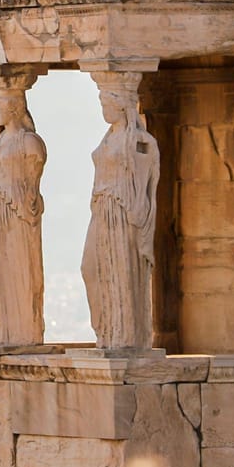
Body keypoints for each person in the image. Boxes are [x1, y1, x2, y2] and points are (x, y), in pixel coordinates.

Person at [81, 87, 159, 349]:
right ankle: (105, 331)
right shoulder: (108, 138)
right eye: (101, 102)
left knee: (122, 271)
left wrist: (139, 211)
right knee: (90, 268)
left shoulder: (139, 140)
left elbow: (149, 178)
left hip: (123, 212)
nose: (104, 107)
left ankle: (124, 336)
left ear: (122, 104)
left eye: (107, 102)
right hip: (102, 209)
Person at [0, 88, 46, 346]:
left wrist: (21, 206)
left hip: (16, 214)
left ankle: (20, 332)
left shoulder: (30, 142)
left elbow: (32, 186)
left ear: (14, 106)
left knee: (16, 268)